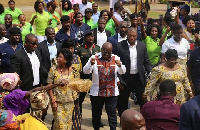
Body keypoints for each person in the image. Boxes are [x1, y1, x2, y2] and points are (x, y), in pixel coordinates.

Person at [83, 42, 126, 130]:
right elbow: (85, 71)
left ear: (111, 51)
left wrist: (120, 65)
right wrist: (90, 64)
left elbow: (123, 72)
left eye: (109, 52)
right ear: (101, 50)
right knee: (96, 114)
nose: (106, 54)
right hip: (96, 92)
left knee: (112, 114)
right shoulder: (94, 58)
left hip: (112, 93)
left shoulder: (115, 58)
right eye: (104, 51)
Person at [114, 27, 152, 116]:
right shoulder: (119, 46)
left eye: (134, 36)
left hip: (138, 77)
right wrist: (118, 80)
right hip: (124, 78)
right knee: (122, 101)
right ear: (127, 35)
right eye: (130, 36)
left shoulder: (142, 46)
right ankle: (124, 120)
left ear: (137, 36)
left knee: (142, 99)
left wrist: (150, 72)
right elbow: (115, 63)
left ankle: (143, 118)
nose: (132, 38)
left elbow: (146, 61)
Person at [48, 48, 82, 130]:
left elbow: (77, 85)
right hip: (57, 102)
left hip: (69, 102)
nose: (57, 59)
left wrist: (69, 82)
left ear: (66, 60)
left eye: (60, 57)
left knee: (67, 125)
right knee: (60, 125)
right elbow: (49, 86)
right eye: (58, 57)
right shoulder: (53, 69)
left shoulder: (74, 70)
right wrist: (53, 101)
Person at [76, 30, 100, 115]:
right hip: (83, 78)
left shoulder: (97, 48)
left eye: (92, 36)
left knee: (96, 100)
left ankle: (96, 119)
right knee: (80, 99)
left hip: (94, 78)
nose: (90, 38)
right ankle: (78, 115)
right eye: (88, 36)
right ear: (84, 38)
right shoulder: (80, 49)